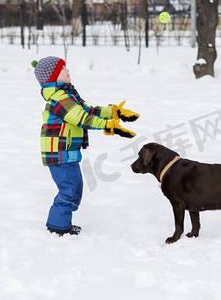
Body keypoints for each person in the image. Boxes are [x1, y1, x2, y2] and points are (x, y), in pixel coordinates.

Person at [31, 56, 139, 236]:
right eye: (63, 68)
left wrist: (113, 112)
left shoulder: (67, 94)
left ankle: (61, 223)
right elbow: (82, 118)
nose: (67, 70)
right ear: (53, 77)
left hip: (65, 152)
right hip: (59, 152)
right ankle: (58, 226)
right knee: (70, 189)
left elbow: (87, 110)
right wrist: (107, 126)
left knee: (74, 188)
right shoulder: (60, 99)